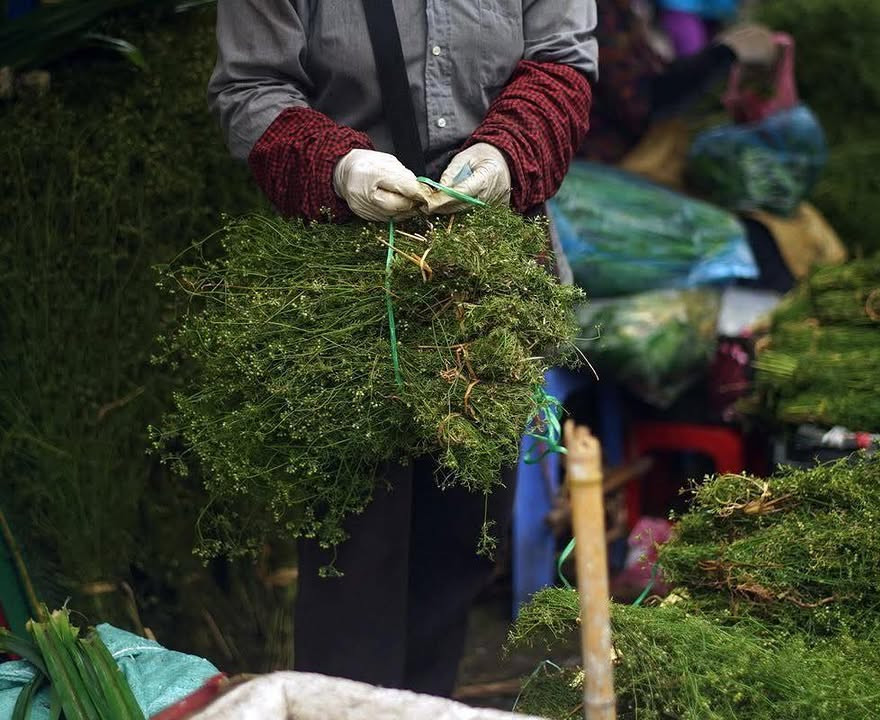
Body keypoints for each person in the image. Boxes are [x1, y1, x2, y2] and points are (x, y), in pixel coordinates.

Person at [206, 0, 597, 697]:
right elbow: (249, 90)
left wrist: (507, 152)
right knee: (354, 567)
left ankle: (426, 706)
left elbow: (563, 66)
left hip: (487, 293)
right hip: (346, 304)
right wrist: (337, 168)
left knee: (455, 556)